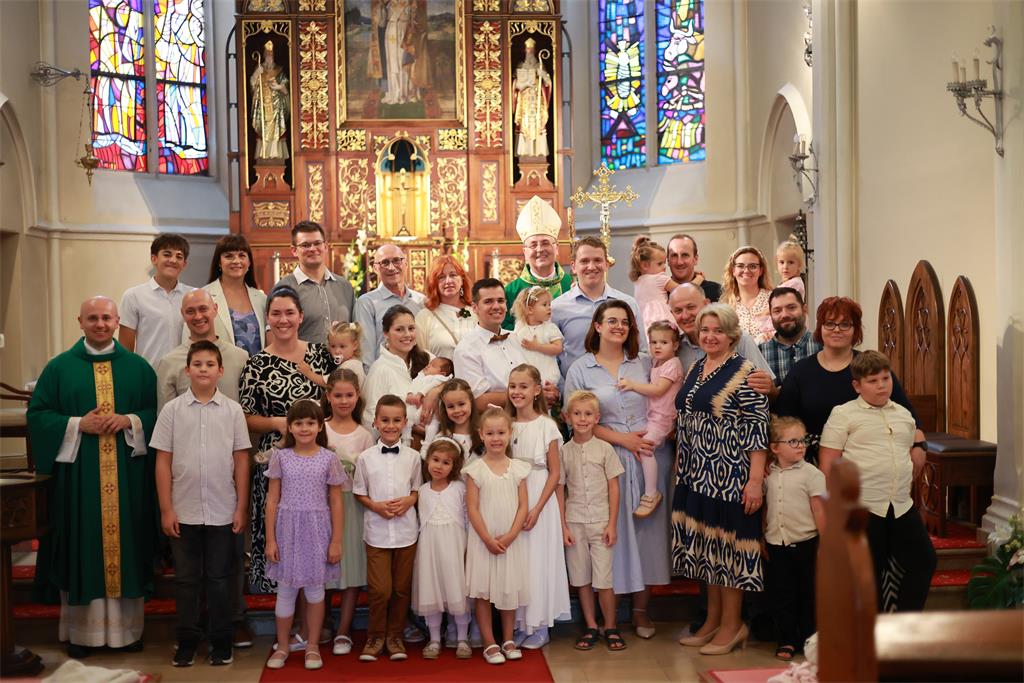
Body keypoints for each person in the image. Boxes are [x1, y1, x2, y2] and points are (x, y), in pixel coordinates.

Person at [28, 296, 157, 658]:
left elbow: (157, 412)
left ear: (117, 321)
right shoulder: (59, 368)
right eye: (93, 318)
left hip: (127, 479)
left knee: (128, 547)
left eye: (106, 318)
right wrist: (76, 424)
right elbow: (38, 416)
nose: (100, 324)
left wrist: (130, 420)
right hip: (79, 482)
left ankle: (127, 633)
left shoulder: (139, 368)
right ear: (80, 321)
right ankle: (82, 635)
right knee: (82, 545)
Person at [563, 300, 666, 640]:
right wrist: (623, 439)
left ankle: (641, 611)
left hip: (648, 456)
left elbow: (662, 400)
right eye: (612, 321)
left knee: (647, 536)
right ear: (597, 326)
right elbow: (577, 419)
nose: (619, 326)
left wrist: (649, 437)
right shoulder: (581, 368)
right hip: (605, 458)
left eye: (625, 321)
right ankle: (610, 617)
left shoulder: (644, 363)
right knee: (614, 537)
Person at [672, 304, 770, 656]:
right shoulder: (697, 367)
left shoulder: (746, 372)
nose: (710, 336)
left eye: (717, 330)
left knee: (729, 553)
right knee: (706, 550)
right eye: (704, 330)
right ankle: (712, 621)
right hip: (695, 474)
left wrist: (755, 481)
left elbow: (758, 430)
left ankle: (733, 625)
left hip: (730, 476)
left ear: (732, 336)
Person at [151, 340, 251, 667]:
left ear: (220, 371)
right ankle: (187, 641)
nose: (204, 369)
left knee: (221, 578)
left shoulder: (233, 411)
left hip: (223, 509)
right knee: (186, 580)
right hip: (184, 509)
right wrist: (167, 508)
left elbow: (241, 460)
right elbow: (163, 461)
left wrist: (240, 507)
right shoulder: (172, 411)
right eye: (198, 364)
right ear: (187, 370)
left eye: (210, 364)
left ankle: (221, 641)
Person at [818, 351, 935, 612]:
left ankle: (904, 622)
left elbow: (905, 456)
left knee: (924, 561)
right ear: (857, 386)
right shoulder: (843, 414)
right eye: (873, 381)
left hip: (901, 505)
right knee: (869, 573)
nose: (881, 385)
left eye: (885, 378)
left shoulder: (903, 414)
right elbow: (828, 465)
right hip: (864, 506)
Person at [239, 287, 336, 595]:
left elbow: (339, 398)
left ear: (301, 316)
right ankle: (281, 606)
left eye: (289, 313)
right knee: (279, 531)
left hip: (318, 458)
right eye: (276, 313)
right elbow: (245, 416)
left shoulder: (321, 355)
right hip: (276, 458)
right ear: (267, 318)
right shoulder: (256, 364)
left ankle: (316, 607)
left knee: (316, 532)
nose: (283, 320)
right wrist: (276, 423)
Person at [773, 296, 920, 466]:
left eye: (845, 324)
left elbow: (907, 413)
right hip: (809, 461)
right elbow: (783, 421)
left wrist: (919, 446)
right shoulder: (801, 371)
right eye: (829, 324)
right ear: (820, 328)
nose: (837, 330)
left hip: (868, 458)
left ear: (855, 329)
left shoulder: (870, 367)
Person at [263, 400, 346, 672]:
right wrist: (271, 539)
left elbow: (336, 501)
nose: (305, 428)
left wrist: (336, 540)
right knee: (286, 591)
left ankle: (312, 645)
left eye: (311, 423)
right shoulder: (281, 457)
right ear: (289, 427)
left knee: (315, 590)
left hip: (318, 530)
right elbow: (272, 500)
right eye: (298, 423)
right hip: (287, 530)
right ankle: (283, 645)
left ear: (320, 426)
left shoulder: (329, 458)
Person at [353, 395, 423, 662]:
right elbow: (359, 492)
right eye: (385, 420)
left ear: (405, 422)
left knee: (402, 589)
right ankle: (375, 636)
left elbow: (417, 489)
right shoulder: (365, 458)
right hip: (377, 533)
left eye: (396, 420)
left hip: (406, 532)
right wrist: (375, 506)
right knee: (380, 589)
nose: (390, 425)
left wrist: (410, 501)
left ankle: (395, 635)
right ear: (375, 422)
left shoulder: (414, 457)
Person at [507, 364, 569, 648]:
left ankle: (540, 624)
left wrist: (537, 508)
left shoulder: (547, 425)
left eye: (523, 386)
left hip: (539, 498)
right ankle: (521, 623)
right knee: (519, 562)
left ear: (536, 390)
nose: (517, 392)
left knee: (538, 560)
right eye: (513, 386)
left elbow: (555, 474)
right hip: (513, 495)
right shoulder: (506, 424)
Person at [463, 408, 531, 665]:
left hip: (509, 540)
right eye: (490, 433)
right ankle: (489, 641)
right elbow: (472, 508)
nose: (495, 438)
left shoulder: (518, 468)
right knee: (483, 591)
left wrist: (511, 534)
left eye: (501, 433)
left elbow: (523, 506)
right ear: (481, 435)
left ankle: (508, 639)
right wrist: (487, 539)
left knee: (507, 589)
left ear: (510, 433)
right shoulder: (475, 470)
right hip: (484, 540)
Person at [557, 390, 624, 652]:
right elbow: (560, 490)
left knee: (604, 579)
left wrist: (612, 524)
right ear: (567, 417)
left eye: (588, 414)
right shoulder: (564, 451)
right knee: (581, 578)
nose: (582, 419)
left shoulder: (605, 449)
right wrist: (563, 526)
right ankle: (591, 625)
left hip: (601, 522)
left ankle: (611, 626)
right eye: (577, 414)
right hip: (574, 522)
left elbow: (614, 488)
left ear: (597, 418)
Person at [321, 368, 375, 657]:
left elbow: (368, 477)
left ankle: (344, 629)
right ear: (328, 396)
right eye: (338, 395)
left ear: (357, 396)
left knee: (351, 569)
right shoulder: (319, 429)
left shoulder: (364, 435)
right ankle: (323, 622)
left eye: (349, 395)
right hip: (322, 506)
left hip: (352, 506)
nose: (344, 401)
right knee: (324, 568)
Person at [763, 415, 825, 661]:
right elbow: (766, 509)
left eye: (803, 440)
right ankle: (787, 639)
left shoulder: (812, 474)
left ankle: (809, 638)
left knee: (807, 593)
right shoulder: (768, 475)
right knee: (782, 593)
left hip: (805, 543)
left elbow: (819, 510)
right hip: (776, 543)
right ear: (775, 447)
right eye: (793, 441)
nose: (801, 446)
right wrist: (762, 536)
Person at [455, 278, 558, 411]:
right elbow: (477, 401)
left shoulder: (517, 338)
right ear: (475, 307)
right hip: (496, 421)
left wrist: (549, 390)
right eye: (488, 301)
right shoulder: (466, 349)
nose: (496, 306)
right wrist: (532, 395)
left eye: (500, 301)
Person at [412, 439, 472, 660]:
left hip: (455, 546)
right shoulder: (422, 490)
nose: (439, 466)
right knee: (431, 590)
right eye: (435, 460)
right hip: (429, 548)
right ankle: (435, 638)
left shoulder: (459, 488)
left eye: (446, 462)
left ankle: (462, 638)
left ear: (454, 466)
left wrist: (468, 548)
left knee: (457, 590)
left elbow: (467, 519)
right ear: (427, 460)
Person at [617, 321, 683, 517]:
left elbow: (658, 390)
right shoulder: (656, 362)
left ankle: (651, 493)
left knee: (645, 448)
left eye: (664, 342)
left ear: (675, 345)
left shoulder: (673, 364)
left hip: (663, 417)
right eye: (653, 342)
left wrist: (632, 385)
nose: (657, 346)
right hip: (653, 415)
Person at [552, 236, 645, 375]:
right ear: (573, 266)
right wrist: (562, 386)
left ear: (606, 264)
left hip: (621, 384)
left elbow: (641, 351)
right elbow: (551, 359)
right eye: (584, 261)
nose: (591, 266)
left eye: (597, 260)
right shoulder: (557, 308)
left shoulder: (628, 304)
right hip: (574, 386)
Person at [156, 289, 249, 412]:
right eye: (190, 311)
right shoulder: (169, 363)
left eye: (203, 309)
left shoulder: (241, 358)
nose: (198, 316)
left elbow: (248, 414)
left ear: (215, 309)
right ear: (183, 314)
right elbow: (165, 416)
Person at [669, 283, 775, 389]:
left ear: (706, 304)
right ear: (671, 313)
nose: (685, 316)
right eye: (678, 311)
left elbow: (767, 388)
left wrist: (769, 388)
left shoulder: (739, 338)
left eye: (691, 307)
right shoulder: (673, 348)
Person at [274, 221, 355, 345]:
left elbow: (354, 332)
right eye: (305, 245)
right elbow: (275, 338)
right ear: (294, 250)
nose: (312, 249)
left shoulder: (345, 286)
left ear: (325, 246)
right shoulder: (283, 289)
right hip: (302, 358)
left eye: (317, 243)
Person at [119, 233, 195, 366]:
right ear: (154, 259)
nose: (173, 260)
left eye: (179, 256)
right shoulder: (133, 296)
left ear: (184, 264)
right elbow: (125, 350)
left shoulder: (193, 296)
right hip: (148, 373)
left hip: (185, 374)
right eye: (167, 254)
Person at [362, 305, 436, 437]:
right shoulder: (380, 369)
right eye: (399, 329)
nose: (407, 335)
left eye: (411, 328)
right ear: (386, 333)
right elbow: (370, 420)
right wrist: (410, 427)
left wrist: (435, 392)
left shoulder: (429, 359)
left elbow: (450, 384)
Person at [503, 195, 572, 330]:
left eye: (545, 243)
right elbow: (503, 326)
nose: (540, 249)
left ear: (556, 248)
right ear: (525, 252)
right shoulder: (510, 291)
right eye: (533, 245)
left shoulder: (572, 285)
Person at [355, 243, 426, 371]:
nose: (391, 267)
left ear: (406, 263)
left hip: (419, 374)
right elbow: (366, 353)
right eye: (385, 262)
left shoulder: (421, 301)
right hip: (384, 375)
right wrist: (373, 379)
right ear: (375, 268)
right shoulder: (367, 303)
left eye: (396, 260)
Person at [203, 234, 267, 356]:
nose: (236, 261)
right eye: (228, 256)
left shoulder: (262, 299)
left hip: (258, 367)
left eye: (242, 255)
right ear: (219, 262)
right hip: (221, 366)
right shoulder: (204, 296)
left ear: (249, 262)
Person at [757, 287, 822, 395]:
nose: (785, 315)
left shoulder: (822, 345)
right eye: (777, 311)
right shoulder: (760, 353)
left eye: (791, 308)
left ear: (804, 309)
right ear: (771, 315)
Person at [415, 255, 477, 359]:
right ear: (434, 283)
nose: (448, 281)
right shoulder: (425, 317)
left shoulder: (476, 312)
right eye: (441, 277)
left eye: (453, 275)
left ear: (462, 279)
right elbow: (420, 357)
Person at [720, 246, 775, 345]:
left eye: (752, 266)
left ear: (761, 270)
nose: (746, 270)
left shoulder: (773, 300)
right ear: (733, 270)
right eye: (740, 266)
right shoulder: (725, 306)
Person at [510, 286, 563, 387]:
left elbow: (558, 348)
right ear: (530, 310)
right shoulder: (520, 327)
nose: (549, 308)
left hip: (547, 375)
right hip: (525, 377)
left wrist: (538, 347)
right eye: (544, 305)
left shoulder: (550, 328)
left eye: (549, 304)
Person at [629, 236, 678, 345]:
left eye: (664, 263)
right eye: (660, 263)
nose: (664, 267)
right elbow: (684, 290)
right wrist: (699, 278)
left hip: (643, 322)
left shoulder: (638, 281)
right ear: (645, 265)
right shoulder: (659, 279)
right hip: (660, 320)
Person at [511, 38, 552, 159]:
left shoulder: (540, 65)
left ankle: (538, 152)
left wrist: (542, 74)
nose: (529, 51)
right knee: (524, 125)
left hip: (538, 100)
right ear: (524, 50)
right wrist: (524, 84)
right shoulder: (521, 65)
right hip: (525, 102)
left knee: (538, 124)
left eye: (531, 49)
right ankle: (525, 152)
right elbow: (515, 85)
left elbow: (548, 83)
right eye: (527, 49)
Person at [250, 39, 289, 160]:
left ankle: (275, 154)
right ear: (264, 55)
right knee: (263, 129)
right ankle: (263, 154)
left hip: (276, 107)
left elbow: (286, 88)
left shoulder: (279, 70)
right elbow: (252, 86)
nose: (269, 57)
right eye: (267, 54)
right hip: (263, 106)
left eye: (271, 54)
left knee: (276, 130)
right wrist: (256, 74)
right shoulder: (259, 69)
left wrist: (279, 87)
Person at [666, 233, 722, 303]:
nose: (679, 262)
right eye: (674, 255)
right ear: (668, 261)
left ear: (695, 259)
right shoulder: (659, 292)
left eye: (685, 255)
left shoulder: (716, 291)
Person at [406, 357, 453, 428]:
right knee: (407, 418)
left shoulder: (439, 378)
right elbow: (413, 383)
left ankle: (429, 434)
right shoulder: (421, 375)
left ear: (442, 373)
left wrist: (420, 394)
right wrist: (410, 393)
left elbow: (430, 386)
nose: (428, 366)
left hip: (429, 409)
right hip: (414, 406)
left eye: (433, 366)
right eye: (429, 364)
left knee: (432, 424)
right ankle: (408, 433)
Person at [327, 320, 366, 386]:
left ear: (355, 345)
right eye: (333, 346)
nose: (337, 351)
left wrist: (309, 373)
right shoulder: (354, 363)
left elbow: (329, 383)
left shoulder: (349, 366)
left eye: (342, 346)